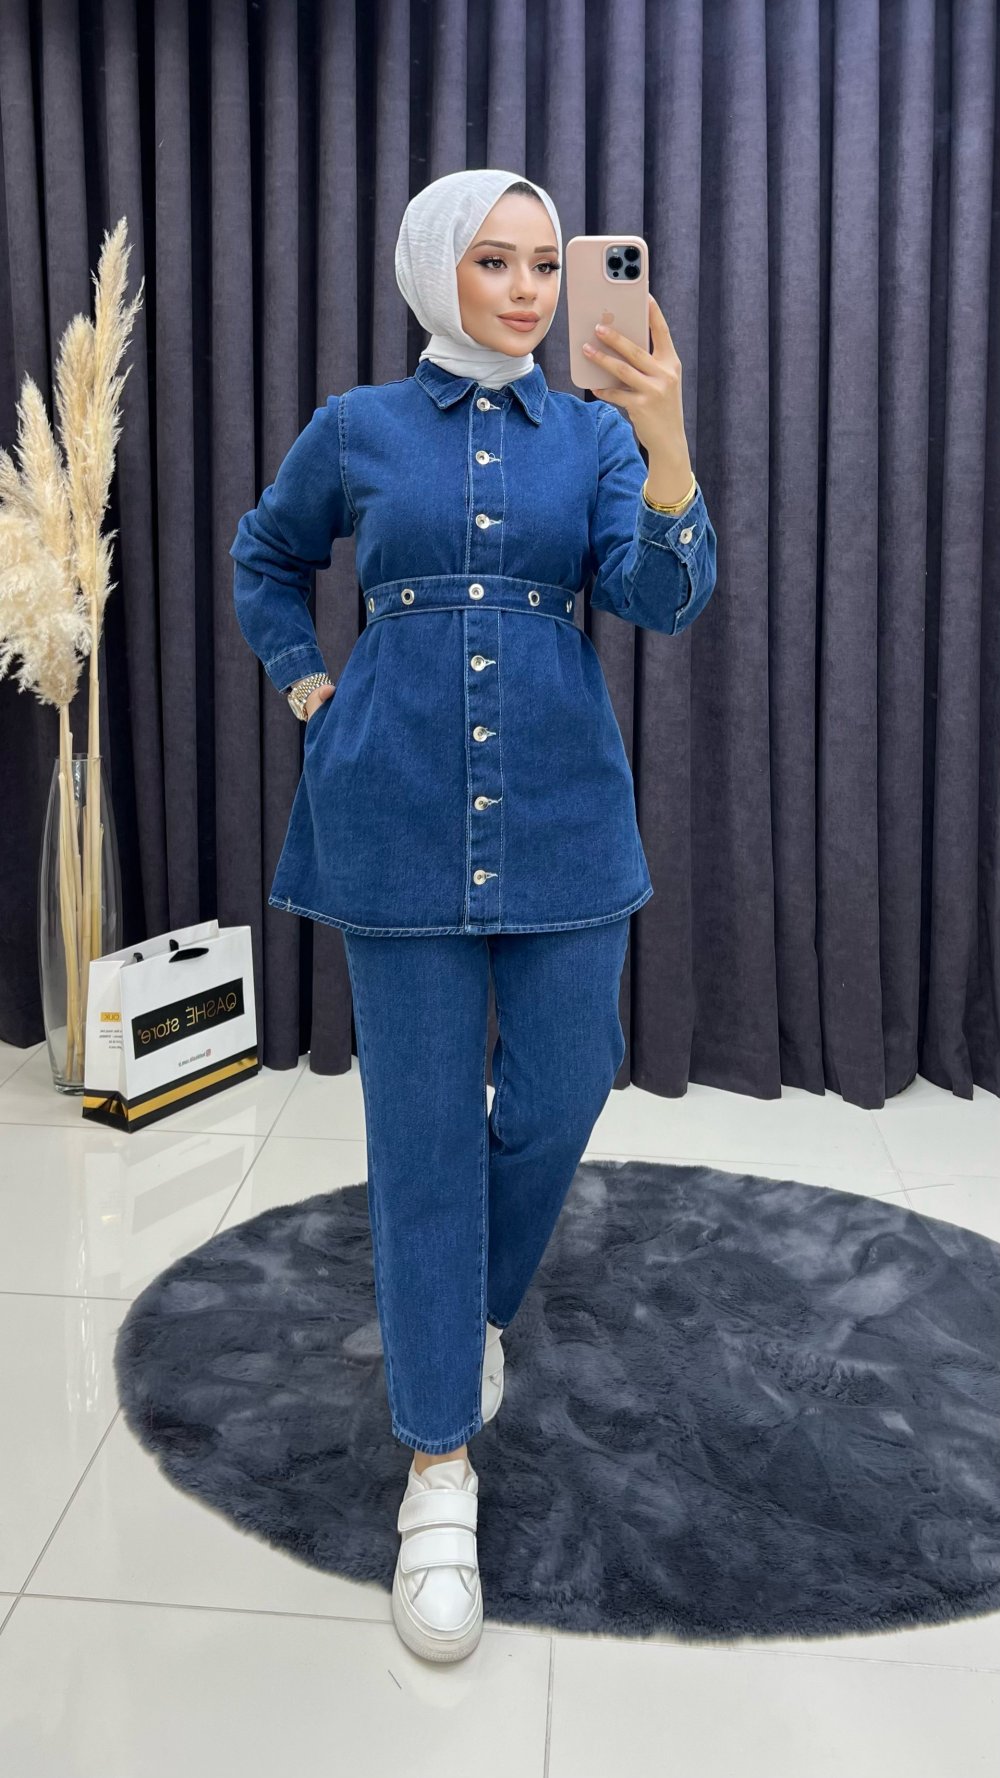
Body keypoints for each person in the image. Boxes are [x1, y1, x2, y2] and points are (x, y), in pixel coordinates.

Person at [229, 167, 717, 1664]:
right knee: (423, 1132)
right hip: (394, 812)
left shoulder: (595, 433)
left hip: (565, 814)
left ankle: (468, 1309)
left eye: (545, 264)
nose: (525, 290)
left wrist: (667, 440)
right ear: (436, 266)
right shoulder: (359, 427)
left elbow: (661, 599)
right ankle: (438, 1466)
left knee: (566, 1085)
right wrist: (311, 687)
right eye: (494, 261)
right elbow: (266, 555)